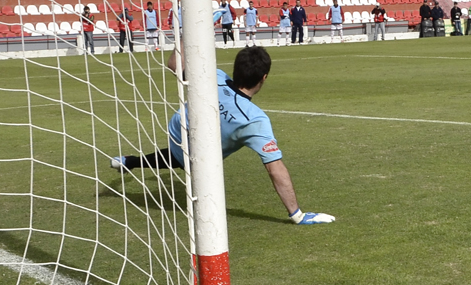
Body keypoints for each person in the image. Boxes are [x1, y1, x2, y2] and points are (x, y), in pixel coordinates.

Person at [112, 47, 335, 225]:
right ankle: (134, 163)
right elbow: (275, 169)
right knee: (193, 158)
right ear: (264, 78)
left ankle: (129, 161)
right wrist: (297, 214)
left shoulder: (215, 76)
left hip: (177, 129)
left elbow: (173, 64)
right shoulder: (255, 120)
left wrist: (185, 31)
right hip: (195, 157)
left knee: (177, 155)